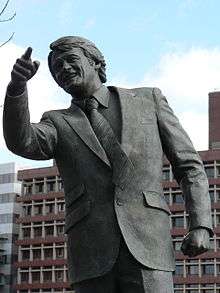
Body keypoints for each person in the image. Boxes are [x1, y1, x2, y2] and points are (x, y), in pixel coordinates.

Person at [3, 36, 213, 293]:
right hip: (90, 253)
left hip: (149, 247)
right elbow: (22, 142)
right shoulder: (57, 122)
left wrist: (201, 224)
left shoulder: (148, 101)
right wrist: (16, 88)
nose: (64, 69)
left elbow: (189, 166)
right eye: (57, 68)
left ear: (95, 62)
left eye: (71, 60)